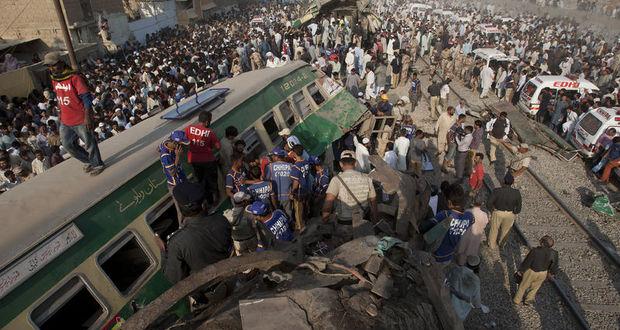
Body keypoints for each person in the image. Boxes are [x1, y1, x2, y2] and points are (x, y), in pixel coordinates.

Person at [44, 51, 105, 175]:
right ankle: (88, 160)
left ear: (60, 63)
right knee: (67, 145)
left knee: (89, 144)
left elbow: (86, 97)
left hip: (80, 118)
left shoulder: (74, 77)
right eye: (49, 66)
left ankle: (98, 164)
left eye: (53, 65)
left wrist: (88, 116)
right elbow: (59, 96)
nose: (51, 68)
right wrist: (60, 112)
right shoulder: (54, 78)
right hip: (66, 119)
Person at [162, 182, 232, 284]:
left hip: (209, 294)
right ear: (203, 205)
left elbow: (174, 278)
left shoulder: (176, 243)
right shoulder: (221, 219)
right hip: (230, 277)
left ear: (181, 210)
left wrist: (162, 251)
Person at [322, 150, 378, 241]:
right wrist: (375, 222)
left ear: (341, 164)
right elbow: (373, 202)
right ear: (355, 163)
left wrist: (325, 219)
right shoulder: (367, 178)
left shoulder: (336, 180)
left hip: (344, 225)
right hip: (363, 222)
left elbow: (328, 203)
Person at [429, 183, 474, 264]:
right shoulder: (469, 216)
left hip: (436, 255)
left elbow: (429, 226)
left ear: (449, 203)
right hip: (449, 255)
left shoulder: (444, 215)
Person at [185, 111, 221, 204]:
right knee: (212, 182)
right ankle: (216, 201)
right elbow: (218, 147)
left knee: (201, 183)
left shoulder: (188, 129)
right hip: (208, 161)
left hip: (194, 161)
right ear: (207, 122)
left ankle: (208, 202)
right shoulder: (209, 132)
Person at [513, 235, 559, 306]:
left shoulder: (535, 251)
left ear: (542, 243)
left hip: (532, 271)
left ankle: (517, 300)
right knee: (535, 287)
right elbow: (554, 266)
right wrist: (551, 273)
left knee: (523, 285)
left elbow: (527, 262)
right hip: (543, 273)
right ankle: (528, 300)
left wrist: (521, 271)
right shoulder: (554, 253)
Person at [159, 130, 190, 226]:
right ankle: (182, 226)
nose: (181, 146)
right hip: (175, 185)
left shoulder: (166, 143)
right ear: (175, 142)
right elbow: (172, 173)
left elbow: (158, 147)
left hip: (182, 179)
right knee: (181, 209)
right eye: (180, 143)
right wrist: (177, 157)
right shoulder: (166, 155)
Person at [487, 172, 522, 249]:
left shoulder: (497, 191)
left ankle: (492, 245)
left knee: (494, 229)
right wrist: (515, 212)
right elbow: (519, 207)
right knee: (505, 231)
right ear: (512, 182)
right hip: (510, 214)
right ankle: (502, 244)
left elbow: (489, 203)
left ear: (503, 181)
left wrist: (492, 210)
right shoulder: (516, 193)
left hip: (498, 212)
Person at [455, 195, 489, 266]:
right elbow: (484, 226)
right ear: (482, 203)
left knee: (462, 251)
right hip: (476, 237)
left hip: (466, 235)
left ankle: (460, 263)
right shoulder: (485, 215)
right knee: (470, 251)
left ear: (473, 202)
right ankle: (469, 264)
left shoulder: (467, 211)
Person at [225, 191, 257, 256]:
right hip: (251, 240)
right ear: (243, 202)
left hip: (238, 242)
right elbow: (255, 227)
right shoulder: (249, 213)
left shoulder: (227, 214)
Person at [264, 147, 293, 218]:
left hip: (274, 197)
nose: (272, 157)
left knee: (278, 216)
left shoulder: (269, 167)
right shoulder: (290, 166)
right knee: (288, 215)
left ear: (276, 157)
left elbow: (267, 182)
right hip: (287, 196)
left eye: (273, 156)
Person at [290, 145, 311, 231]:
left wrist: (292, 192)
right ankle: (306, 222)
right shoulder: (306, 162)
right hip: (305, 188)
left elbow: (295, 182)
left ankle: (300, 227)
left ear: (294, 153)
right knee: (305, 207)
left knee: (298, 210)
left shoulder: (296, 167)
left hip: (298, 190)